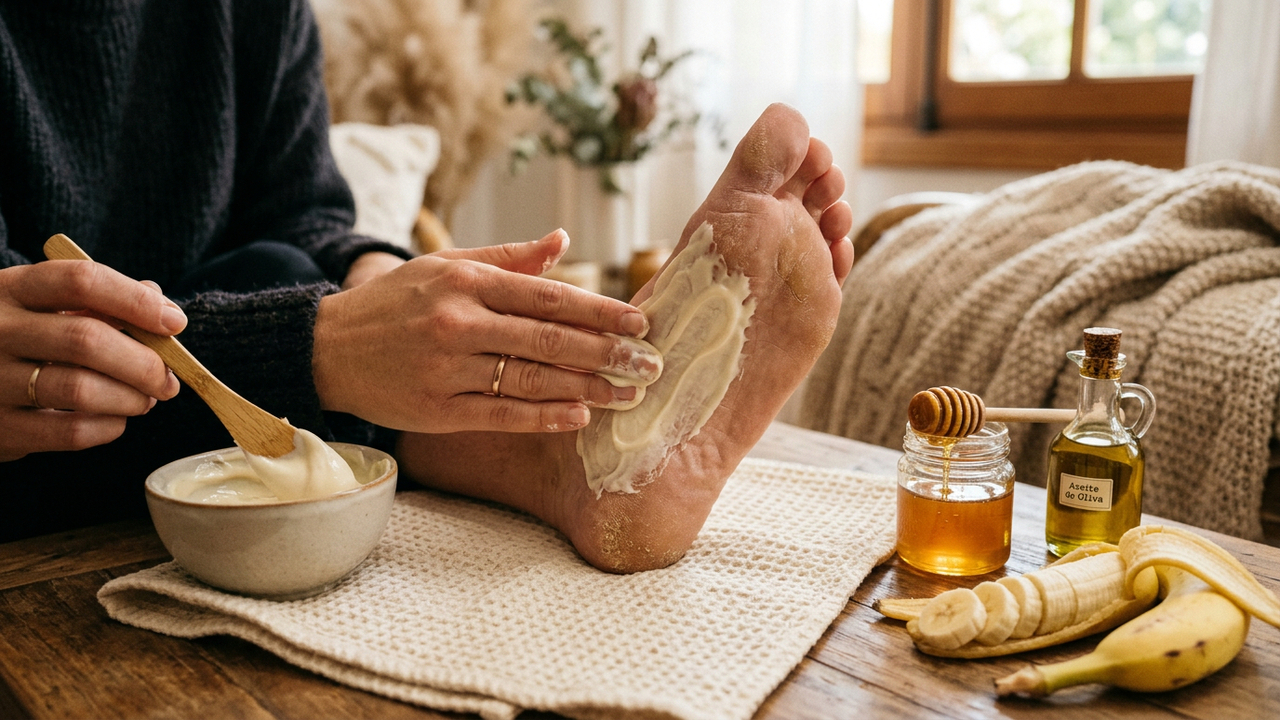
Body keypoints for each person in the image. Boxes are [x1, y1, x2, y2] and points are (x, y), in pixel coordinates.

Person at [0, 0, 854, 570]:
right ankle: (527, 454)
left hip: (230, 332)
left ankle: (554, 451)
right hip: (35, 420)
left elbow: (304, 218)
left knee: (285, 269)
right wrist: (321, 343)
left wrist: (395, 291)